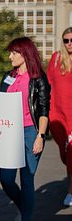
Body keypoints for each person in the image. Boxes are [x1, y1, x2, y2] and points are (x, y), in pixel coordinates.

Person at [0, 37, 50, 221]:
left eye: (14, 52)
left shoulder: (38, 78)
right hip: (10, 133)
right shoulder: (7, 77)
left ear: (25, 53)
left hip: (31, 132)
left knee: (27, 180)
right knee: (6, 179)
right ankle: (23, 208)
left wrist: (40, 136)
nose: (10, 56)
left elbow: (44, 109)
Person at [47, 26, 72, 206]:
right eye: (66, 40)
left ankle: (70, 191)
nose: (69, 44)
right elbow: (47, 83)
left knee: (71, 152)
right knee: (65, 153)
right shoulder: (56, 59)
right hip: (56, 114)